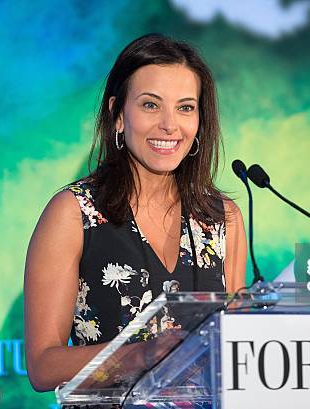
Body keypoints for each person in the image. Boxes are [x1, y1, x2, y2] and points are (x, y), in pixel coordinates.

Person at [23, 33, 247, 392]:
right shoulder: (73, 212)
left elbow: (236, 350)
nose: (170, 125)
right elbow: (43, 365)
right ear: (117, 114)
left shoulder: (224, 219)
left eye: (185, 107)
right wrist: (144, 354)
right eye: (150, 105)